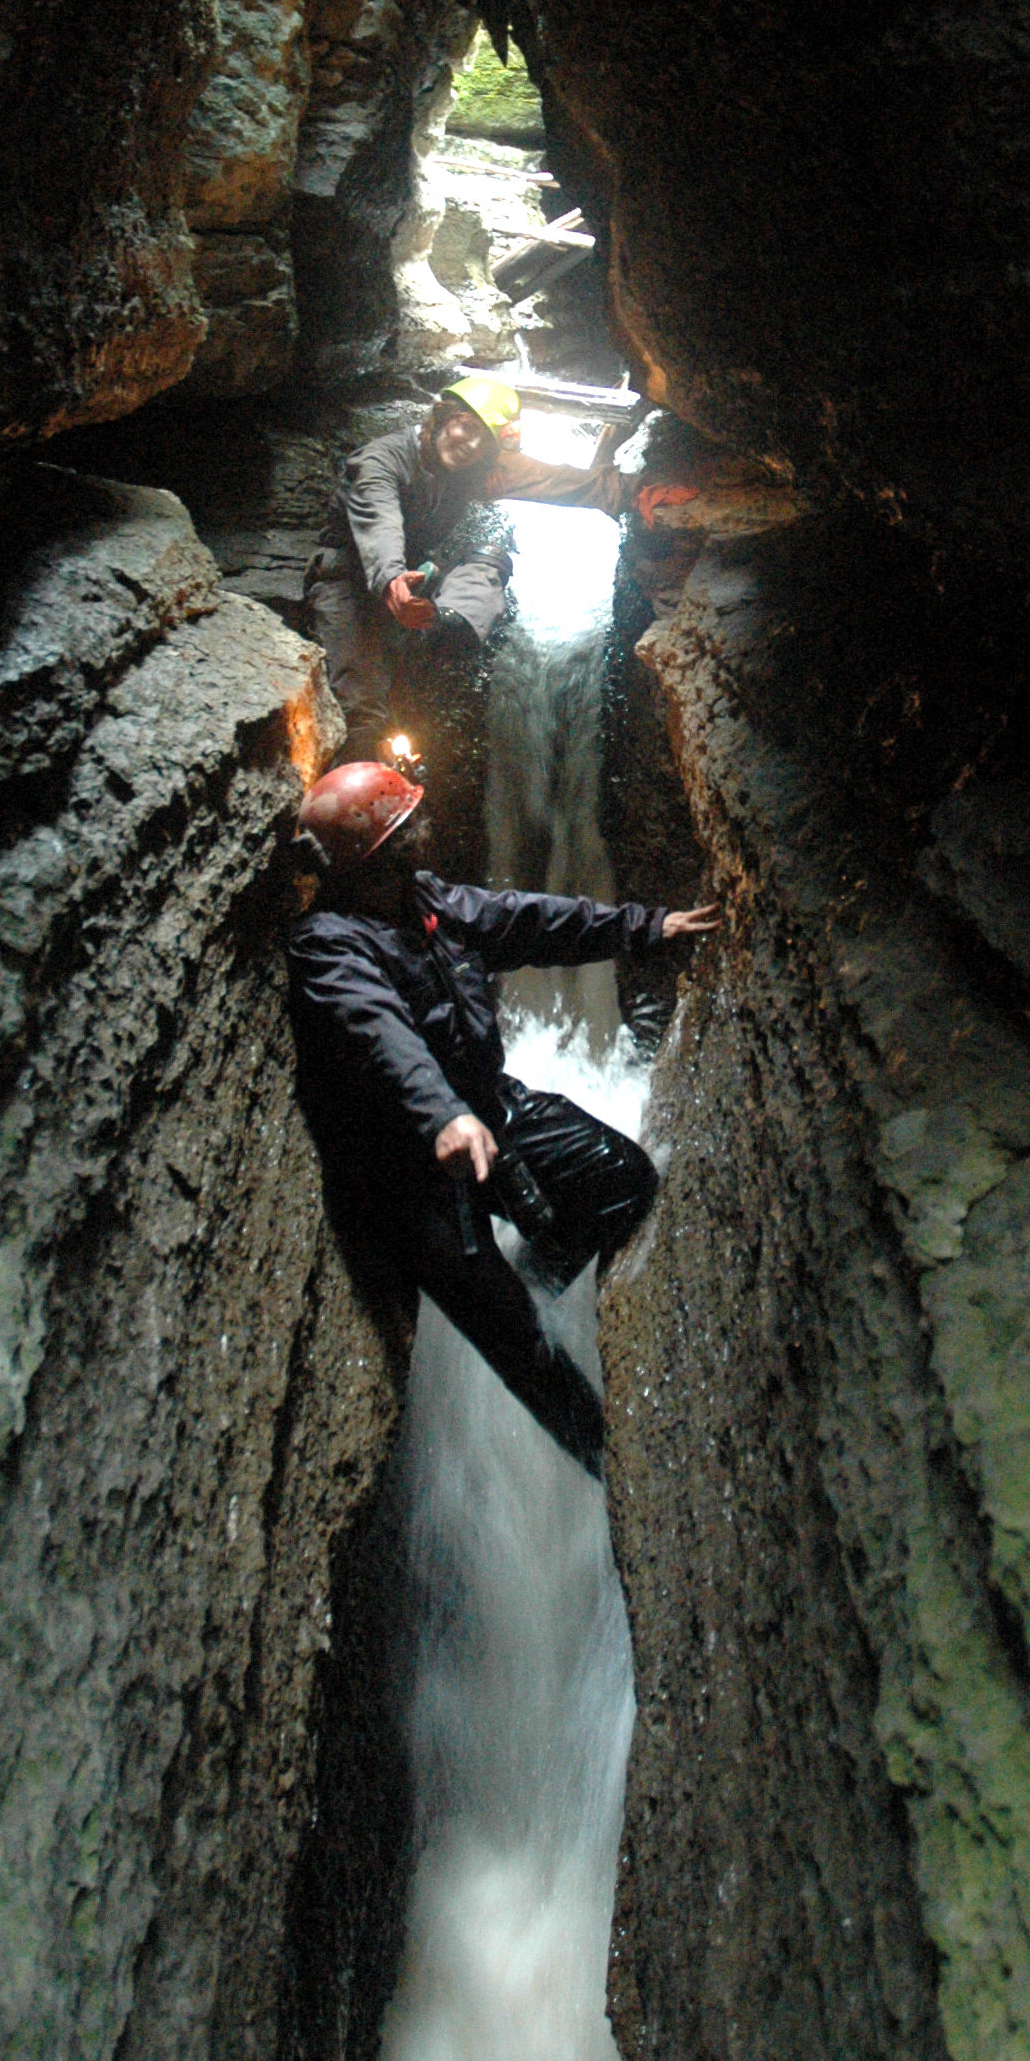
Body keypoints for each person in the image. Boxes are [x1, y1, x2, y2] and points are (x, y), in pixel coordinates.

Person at [288, 754, 720, 1472]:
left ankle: (540, 1269)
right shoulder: (329, 947)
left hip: (490, 1110)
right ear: (375, 855)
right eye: (403, 824)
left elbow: (528, 920)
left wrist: (648, 927)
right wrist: (441, 1117)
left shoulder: (422, 900)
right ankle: (612, 1464)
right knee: (525, 1346)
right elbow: (378, 1034)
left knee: (623, 1179)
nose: (421, 826)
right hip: (412, 1171)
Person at [304, 376, 642, 750]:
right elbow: (378, 521)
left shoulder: (476, 469)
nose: (470, 446)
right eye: (466, 427)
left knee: (490, 556)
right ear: (442, 417)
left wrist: (636, 491)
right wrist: (391, 581)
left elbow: (558, 480)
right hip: (348, 580)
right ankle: (359, 786)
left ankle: (442, 633)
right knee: (364, 712)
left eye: (486, 440)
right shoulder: (380, 460)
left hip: (415, 577)